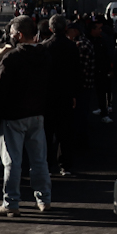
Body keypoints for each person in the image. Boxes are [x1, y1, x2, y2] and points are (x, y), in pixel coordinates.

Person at [0, 15, 52, 216]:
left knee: (12, 162)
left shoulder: (11, 58)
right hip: (37, 114)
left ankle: (11, 203)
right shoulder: (45, 55)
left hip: (13, 116)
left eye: (11, 34)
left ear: (19, 34)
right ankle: (43, 199)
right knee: (39, 160)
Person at [41, 14, 81, 177]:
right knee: (65, 132)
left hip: (48, 95)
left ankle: (48, 165)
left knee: (47, 132)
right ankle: (65, 165)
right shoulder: (72, 47)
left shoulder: (44, 47)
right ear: (65, 28)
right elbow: (77, 73)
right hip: (66, 93)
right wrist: (74, 94)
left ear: (50, 29)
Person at [90, 20, 114, 123]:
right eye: (98, 29)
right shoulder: (91, 40)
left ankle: (105, 109)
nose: (100, 30)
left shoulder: (100, 40)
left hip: (101, 69)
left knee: (102, 90)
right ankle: (103, 108)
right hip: (97, 69)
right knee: (100, 91)